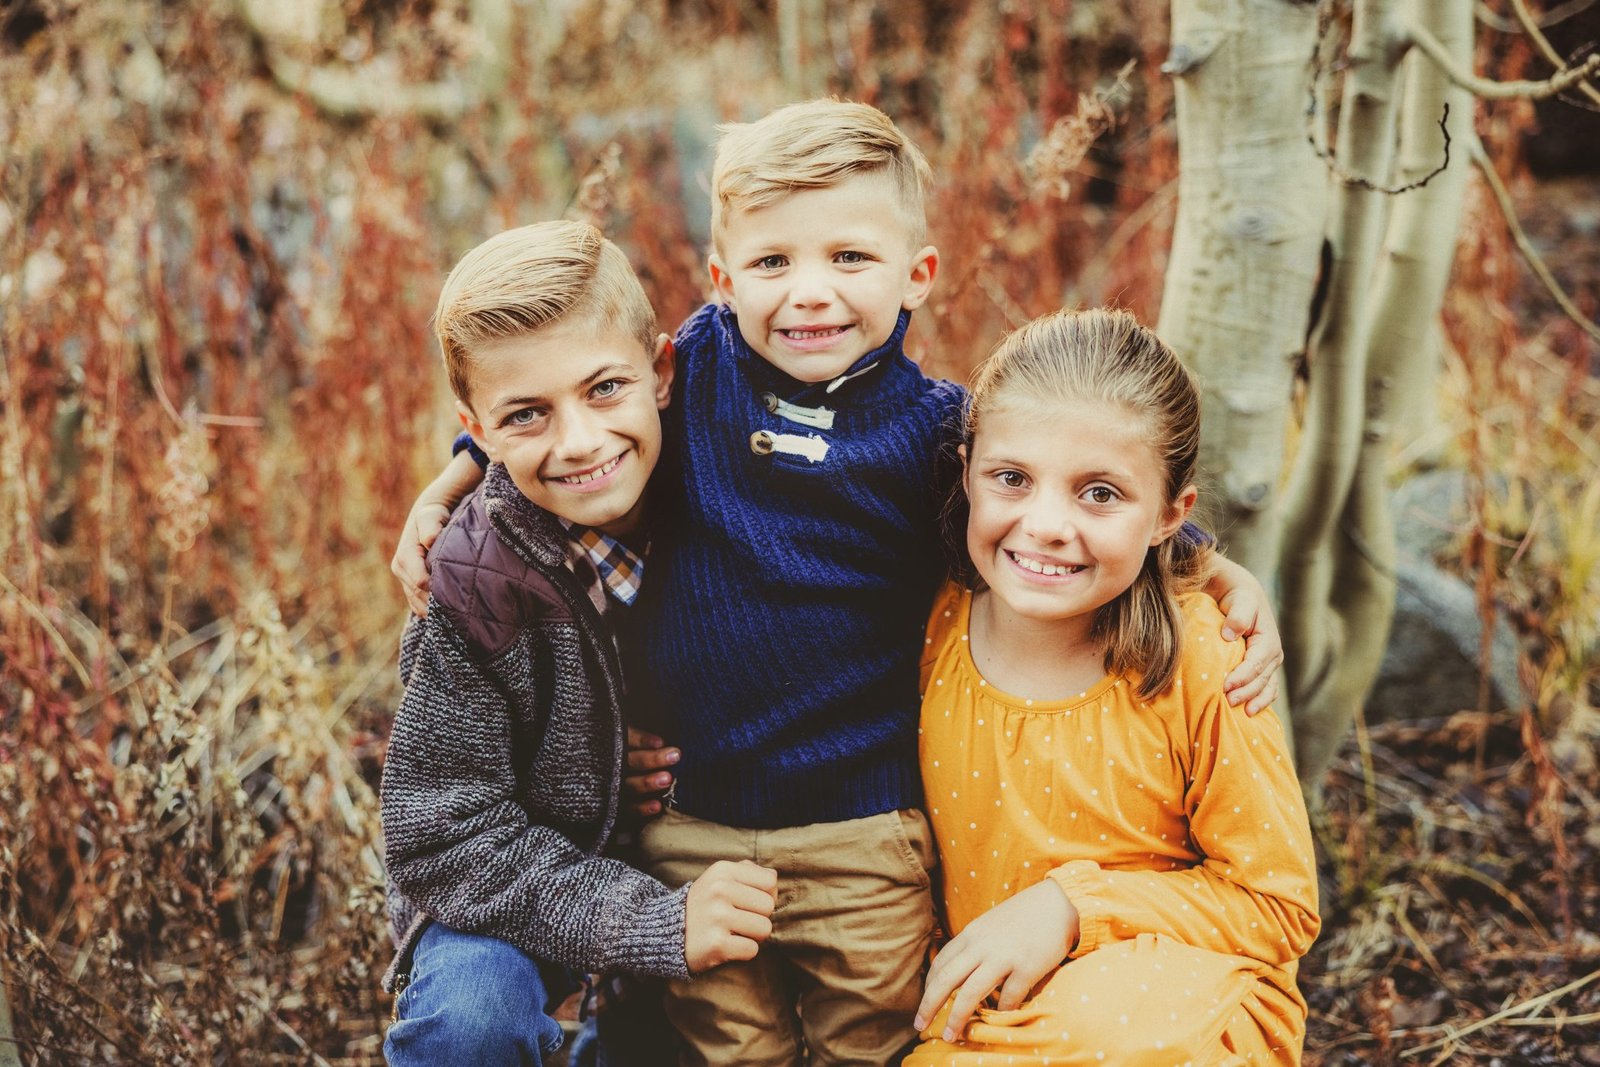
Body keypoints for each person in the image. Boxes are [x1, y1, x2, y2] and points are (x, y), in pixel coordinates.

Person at [392, 101, 1286, 1065]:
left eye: (849, 258)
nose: (810, 293)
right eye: (774, 263)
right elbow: (567, 382)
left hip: (865, 824)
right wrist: (459, 478)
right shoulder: (696, 371)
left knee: (874, 1042)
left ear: (918, 275)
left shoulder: (937, 436)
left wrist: (1204, 560)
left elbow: (1049, 491)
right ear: (723, 280)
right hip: (696, 824)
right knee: (729, 1049)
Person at [379, 220, 777, 1067]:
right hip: (512, 876)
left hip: (703, 839)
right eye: (527, 415)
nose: (580, 442)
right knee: (471, 1017)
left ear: (661, 373)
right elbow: (442, 838)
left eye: (604, 389)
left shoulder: (726, 462)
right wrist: (650, 919)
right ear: (478, 429)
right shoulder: (473, 581)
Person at [906, 308, 1320, 1066]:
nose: (1046, 524)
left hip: (1175, 1010)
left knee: (1100, 1035)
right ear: (966, 472)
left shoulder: (1204, 658)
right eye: (1012, 478)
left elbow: (1278, 905)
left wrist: (1074, 905)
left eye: (1099, 493)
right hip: (994, 1004)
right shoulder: (935, 620)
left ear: (1170, 515)